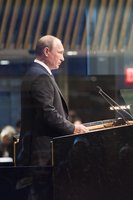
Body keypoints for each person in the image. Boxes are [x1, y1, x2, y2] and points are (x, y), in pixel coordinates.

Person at [17, 35, 89, 200]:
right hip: (43, 154)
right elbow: (47, 113)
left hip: (40, 152)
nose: (63, 58)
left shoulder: (35, 73)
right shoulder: (40, 75)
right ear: (47, 51)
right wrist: (73, 128)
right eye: (60, 52)